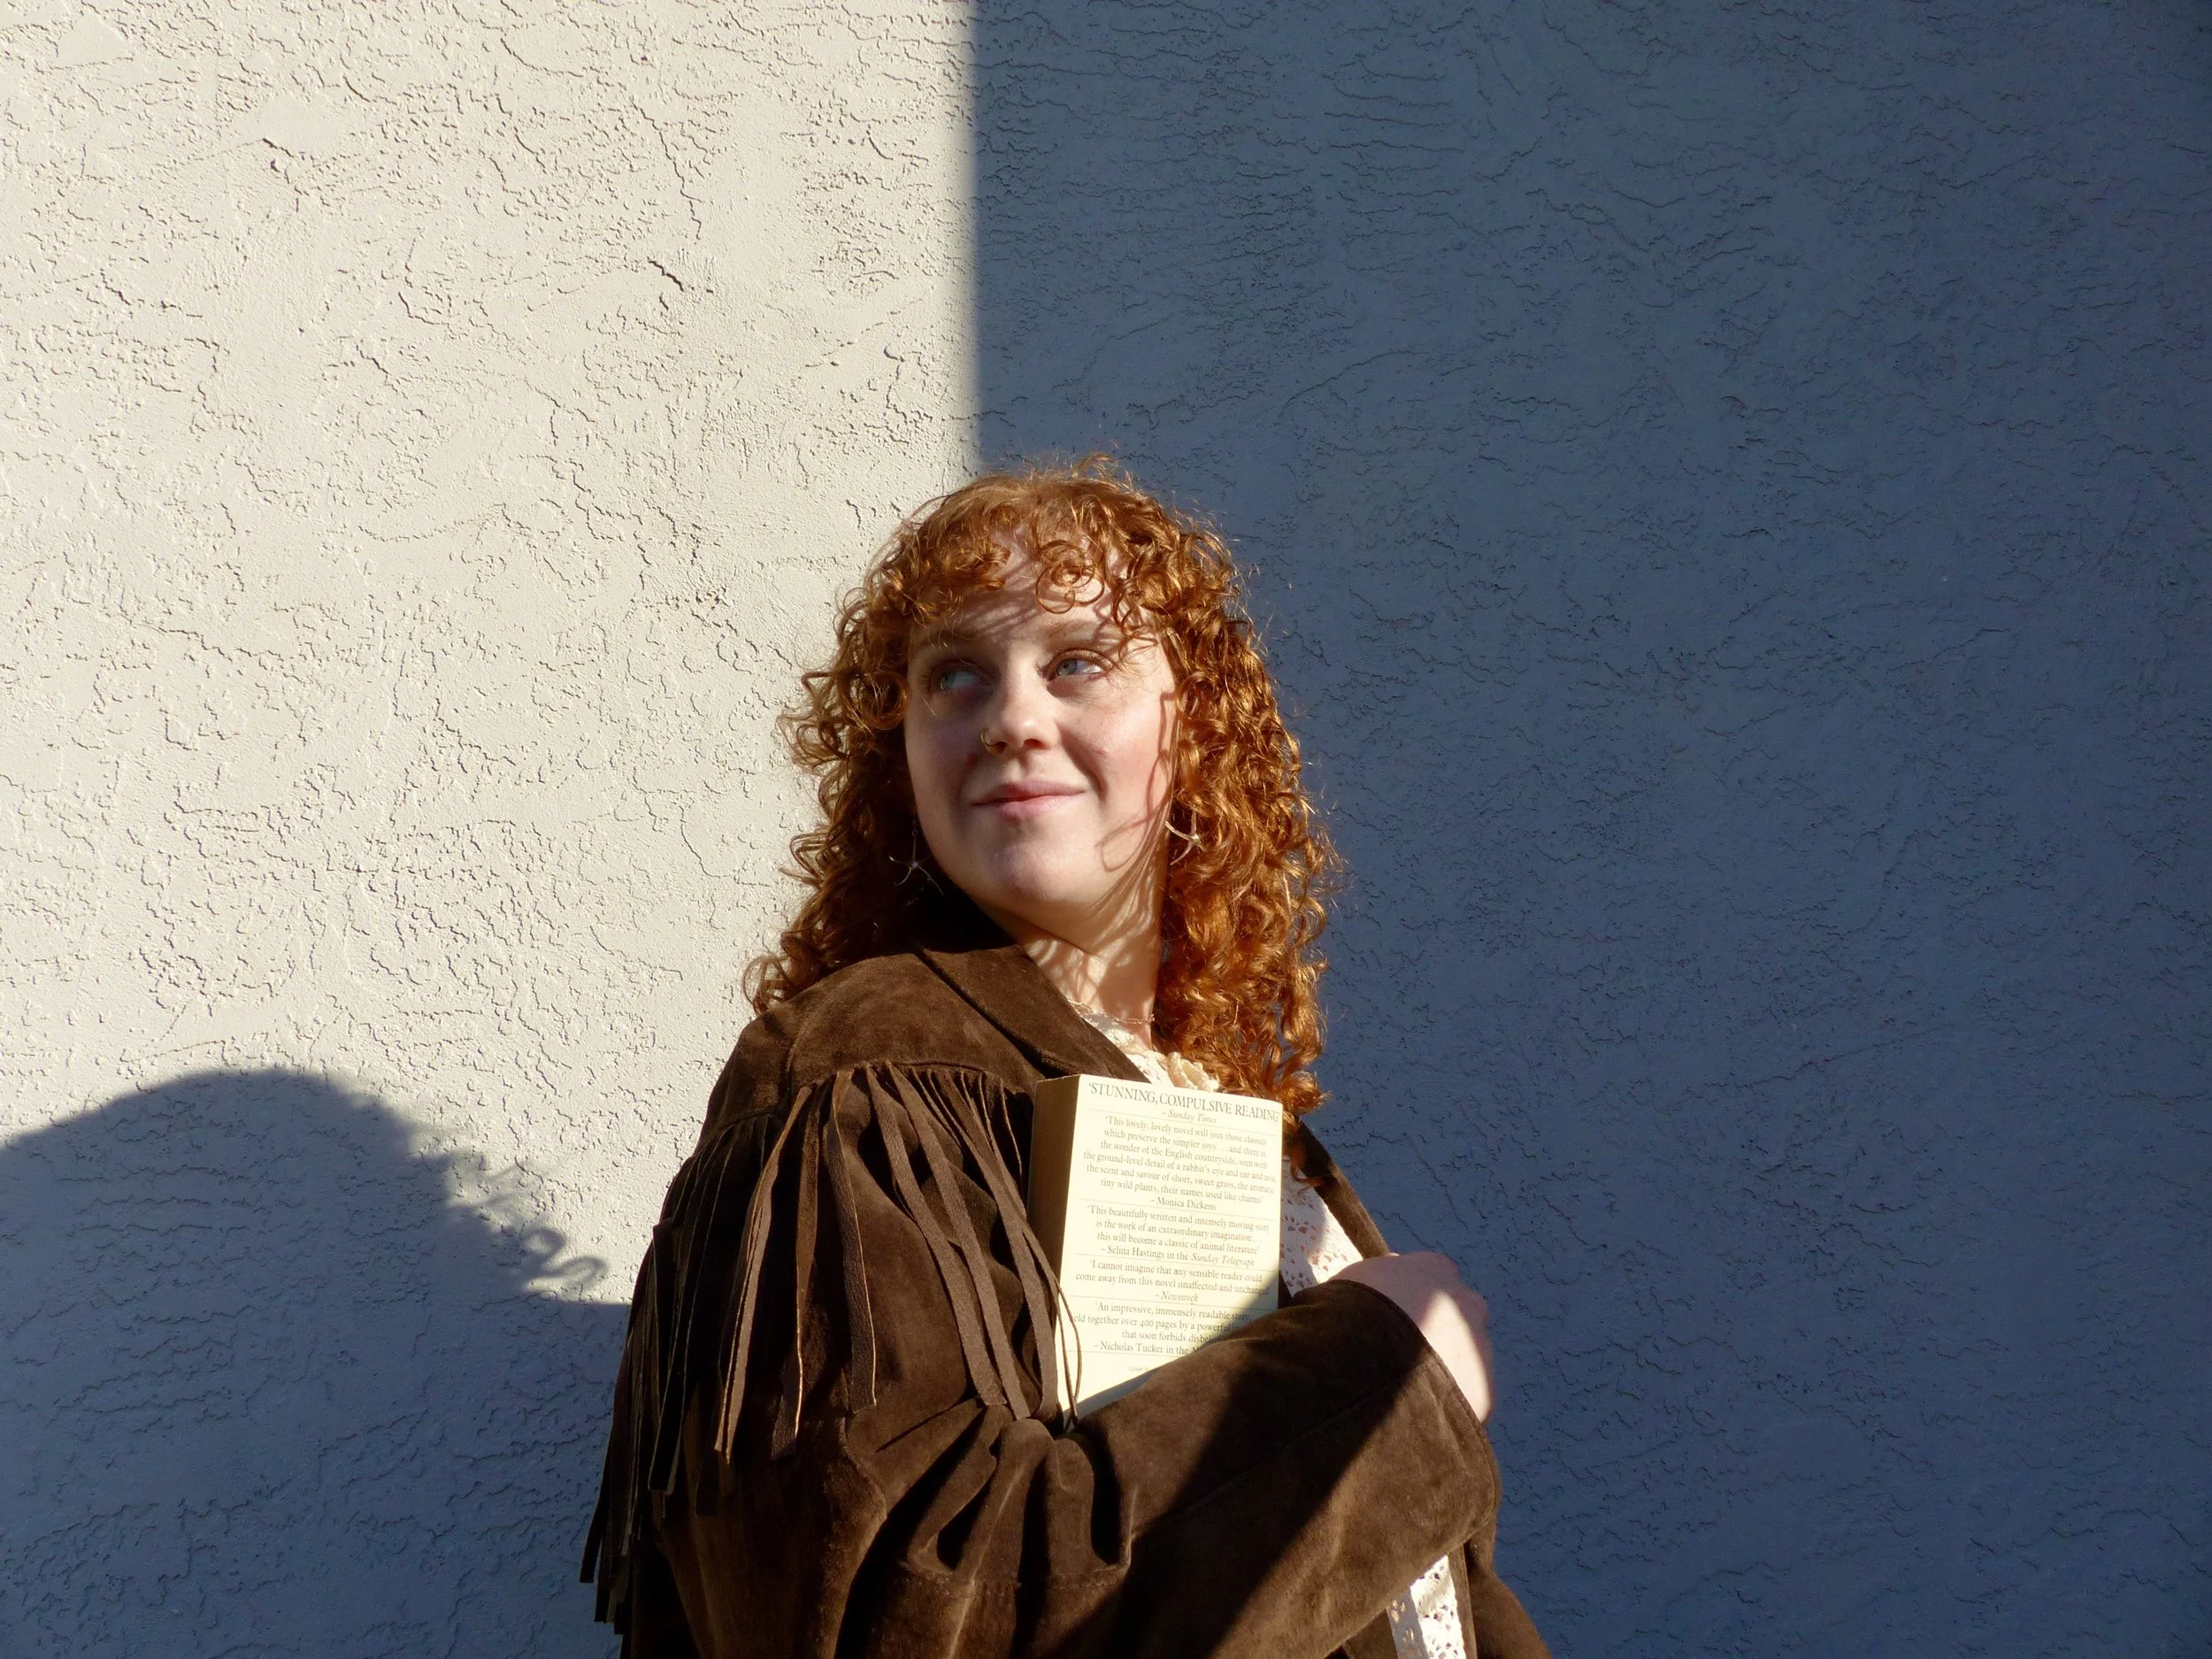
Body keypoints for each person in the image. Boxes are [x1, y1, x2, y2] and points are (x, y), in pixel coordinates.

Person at [583, 460, 1550, 1659]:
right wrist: (1380, 1365)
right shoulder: (862, 1072)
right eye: (954, 674)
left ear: (1190, 731)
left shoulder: (1265, 1147)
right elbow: (892, 1603)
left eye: (1078, 662)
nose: (1011, 716)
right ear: (903, 757)